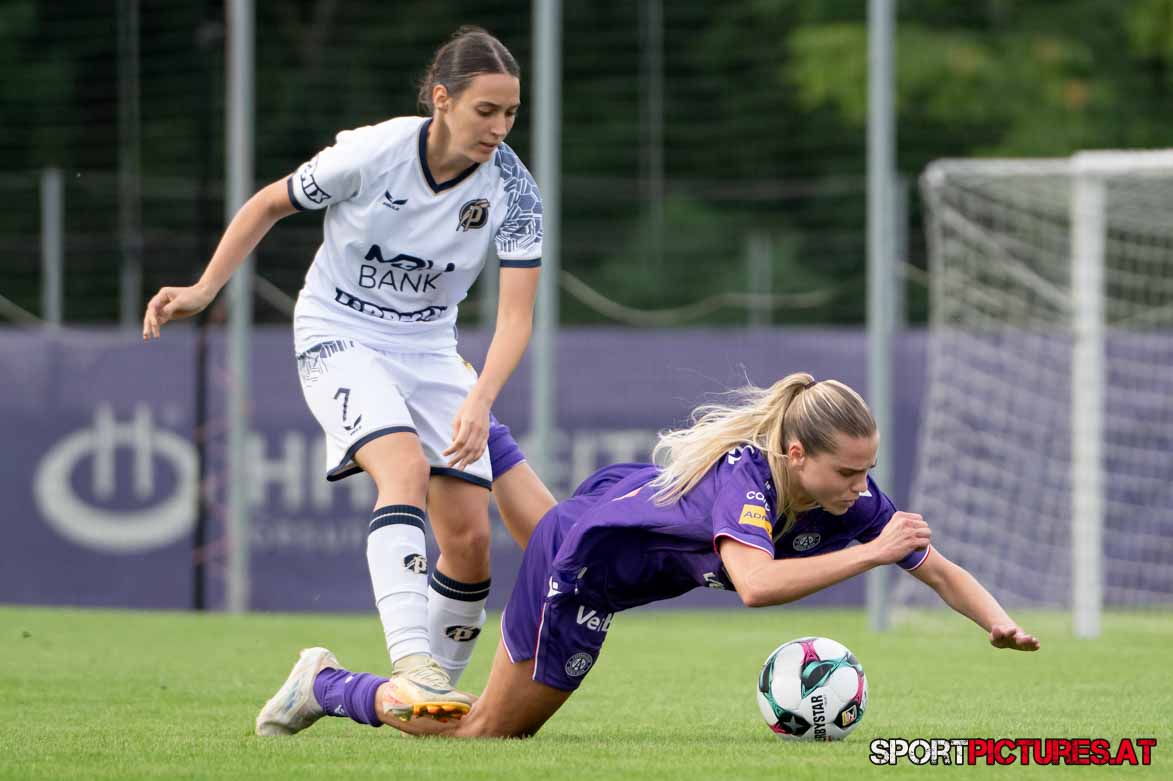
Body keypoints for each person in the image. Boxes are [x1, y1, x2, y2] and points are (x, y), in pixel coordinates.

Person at [254, 372, 1040, 739]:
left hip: (601, 518)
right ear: (795, 453)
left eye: (867, 469)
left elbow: (931, 562)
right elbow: (758, 586)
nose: (862, 486)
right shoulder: (748, 486)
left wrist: (996, 623)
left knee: (558, 525)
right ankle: (328, 684)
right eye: (847, 470)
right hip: (584, 569)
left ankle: (482, 433)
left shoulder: (840, 496)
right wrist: (871, 555)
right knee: (485, 734)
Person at [143, 26, 543, 719]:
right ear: (442, 100)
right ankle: (412, 665)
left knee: (471, 540)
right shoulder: (373, 151)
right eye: (486, 111)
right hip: (339, 330)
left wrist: (481, 397)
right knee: (403, 474)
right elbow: (269, 202)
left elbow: (514, 319)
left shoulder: (514, 189)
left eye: (510, 114)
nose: (499, 128)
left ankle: (410, 700)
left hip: (429, 350)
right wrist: (206, 289)